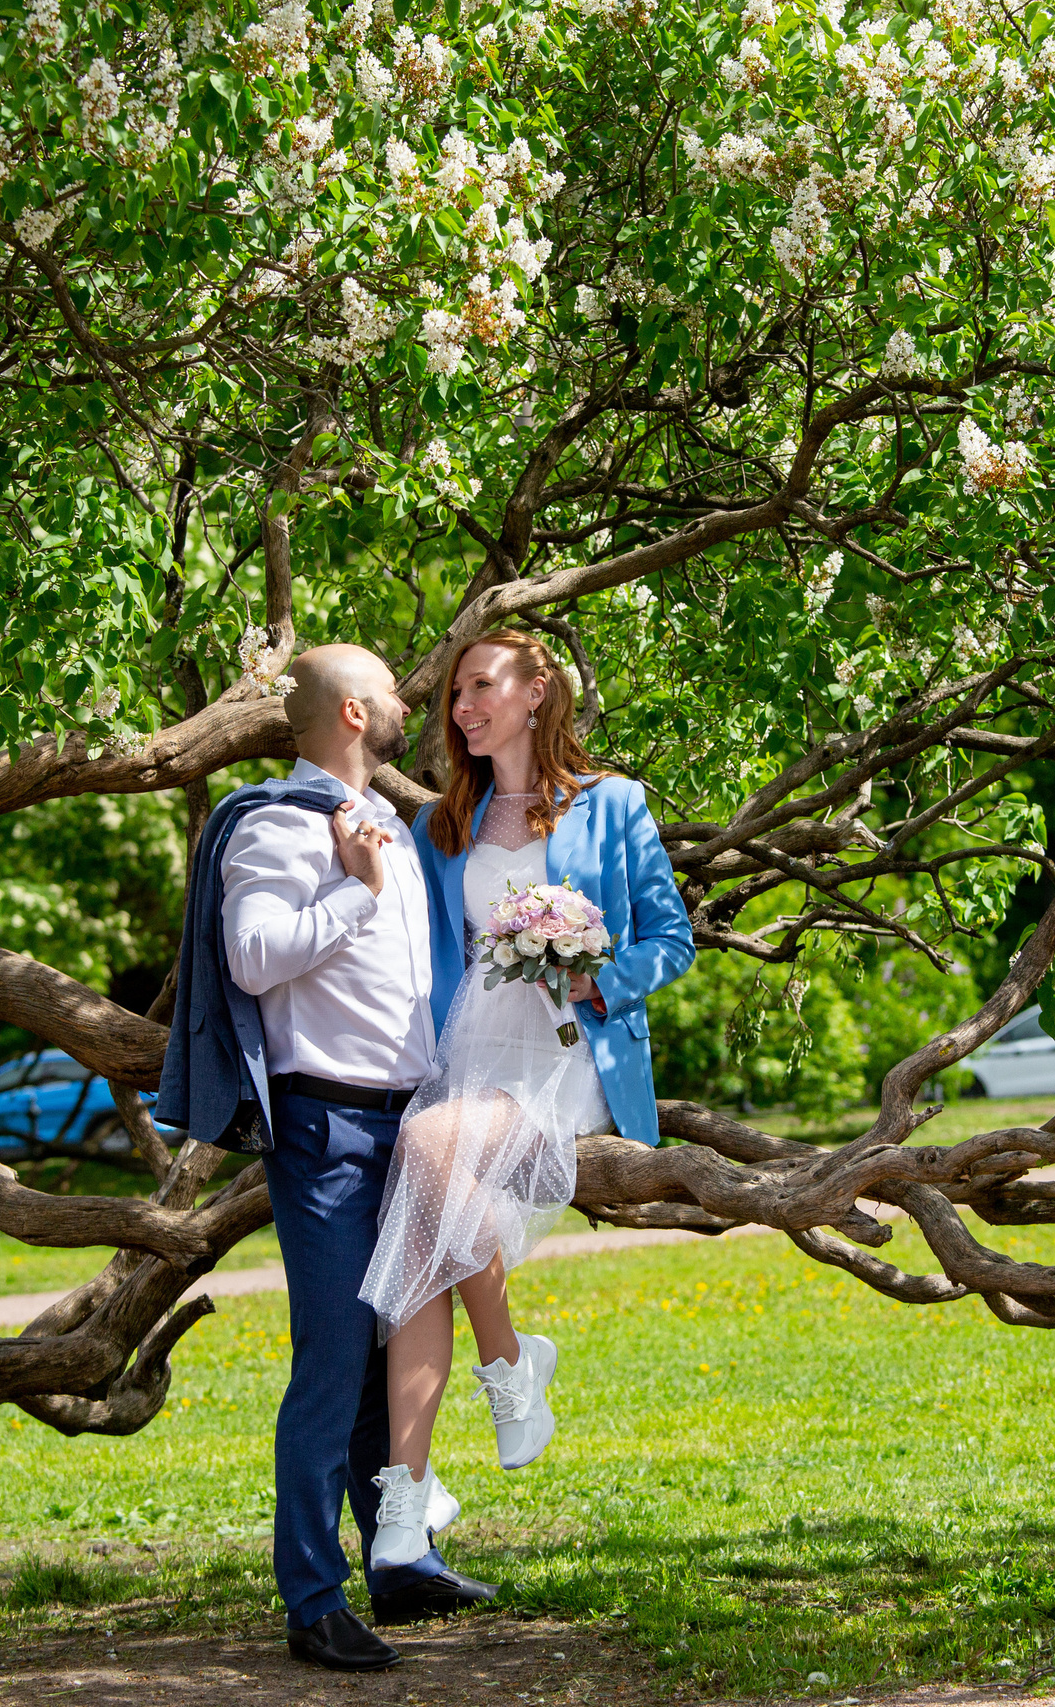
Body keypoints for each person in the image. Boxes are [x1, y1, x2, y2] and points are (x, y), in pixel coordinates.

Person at [153, 643, 497, 1674]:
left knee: (397, 1360)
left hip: (411, 1125)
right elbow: (253, 957)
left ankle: (400, 1562)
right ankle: (312, 1598)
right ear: (352, 713)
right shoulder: (274, 826)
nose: (408, 704)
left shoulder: (389, 824)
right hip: (330, 1131)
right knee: (334, 1362)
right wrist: (352, 890)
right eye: (393, 692)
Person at [358, 628, 694, 1571]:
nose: (462, 708)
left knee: (426, 1155)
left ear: (536, 690)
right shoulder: (438, 827)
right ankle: (403, 1505)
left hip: (566, 1050)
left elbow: (672, 937)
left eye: (479, 686)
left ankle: (508, 1369)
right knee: (422, 1231)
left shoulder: (613, 803)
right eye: (454, 694)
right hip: (466, 1050)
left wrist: (599, 977)